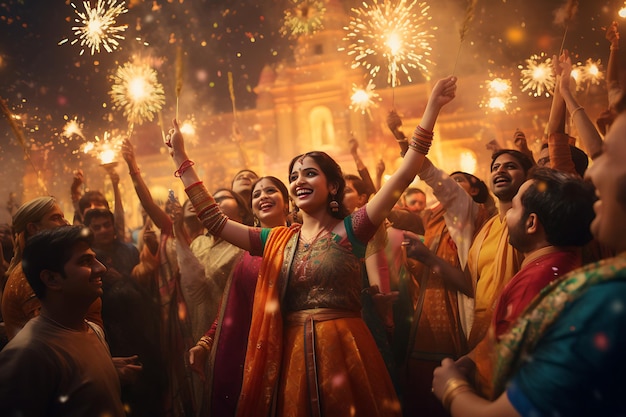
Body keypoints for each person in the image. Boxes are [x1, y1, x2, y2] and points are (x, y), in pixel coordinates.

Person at [165, 75, 458, 416]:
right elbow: (215, 221)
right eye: (294, 176)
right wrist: (182, 161)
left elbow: (405, 173)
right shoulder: (276, 240)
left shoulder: (353, 229)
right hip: (291, 360)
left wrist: (432, 108)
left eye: (309, 174)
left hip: (347, 352)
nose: (299, 181)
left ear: (333, 185)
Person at [430, 87, 626, 417]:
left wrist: (452, 388)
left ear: (533, 222)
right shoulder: (492, 231)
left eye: (609, 156)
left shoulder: (594, 301)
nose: (592, 171)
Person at [187, 176, 290, 417]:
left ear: (287, 202)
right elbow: (231, 310)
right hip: (254, 354)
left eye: (271, 191)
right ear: (252, 208)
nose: (263, 196)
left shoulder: (303, 242)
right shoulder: (247, 255)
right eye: (256, 194)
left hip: (295, 346)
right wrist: (206, 343)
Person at [0, 226, 128, 417]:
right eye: (85, 261)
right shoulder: (27, 353)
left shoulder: (92, 330)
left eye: (95, 259)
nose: (101, 268)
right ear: (51, 279)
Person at [1, 197, 103, 340]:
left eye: (63, 217)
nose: (66, 223)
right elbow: (52, 337)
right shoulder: (29, 276)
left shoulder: (44, 267)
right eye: (56, 218)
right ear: (34, 229)